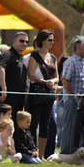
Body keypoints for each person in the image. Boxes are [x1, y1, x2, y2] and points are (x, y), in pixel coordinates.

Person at [27, 30, 58, 159]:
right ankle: (31, 152)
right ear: (42, 41)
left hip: (49, 94)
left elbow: (57, 76)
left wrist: (53, 82)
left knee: (45, 125)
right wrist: (44, 81)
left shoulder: (53, 57)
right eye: (50, 39)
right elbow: (31, 74)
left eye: (52, 39)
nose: (52, 42)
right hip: (36, 93)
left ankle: (41, 155)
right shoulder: (34, 55)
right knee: (33, 123)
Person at [60, 38, 84, 154]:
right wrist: (72, 96)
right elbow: (65, 80)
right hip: (72, 100)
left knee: (78, 127)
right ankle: (65, 152)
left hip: (82, 101)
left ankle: (75, 151)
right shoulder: (70, 61)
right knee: (69, 126)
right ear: (78, 48)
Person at [0, 32, 28, 123]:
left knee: (14, 125)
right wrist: (3, 88)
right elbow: (0, 68)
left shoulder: (21, 57)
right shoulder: (8, 54)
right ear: (14, 41)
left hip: (18, 98)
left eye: (26, 42)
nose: (24, 43)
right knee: (3, 124)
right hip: (7, 97)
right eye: (21, 41)